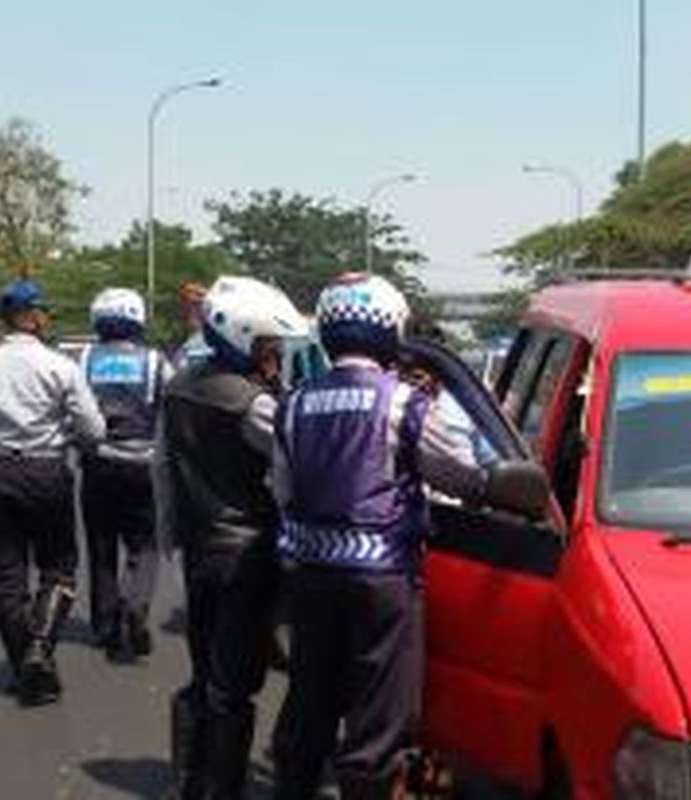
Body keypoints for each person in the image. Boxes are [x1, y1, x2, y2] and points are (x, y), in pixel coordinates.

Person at [272, 273, 547, 800]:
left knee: (308, 706)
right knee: (378, 722)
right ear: (391, 329)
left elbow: (282, 491)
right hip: (383, 580)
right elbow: (462, 475)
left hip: (310, 576)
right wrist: (497, 484)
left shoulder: (294, 404)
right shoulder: (403, 402)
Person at [155, 276, 307, 800]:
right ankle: (221, 788)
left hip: (198, 548)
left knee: (204, 669)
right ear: (243, 339)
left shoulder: (178, 387)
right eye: (269, 346)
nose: (275, 356)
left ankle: (188, 783)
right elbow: (297, 466)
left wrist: (170, 536)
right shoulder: (252, 404)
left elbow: (162, 471)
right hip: (247, 552)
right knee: (234, 684)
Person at [0, 277, 106, 706]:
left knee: (8, 580)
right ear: (34, 316)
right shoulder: (60, 367)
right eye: (44, 311)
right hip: (47, 474)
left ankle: (25, 667)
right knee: (59, 569)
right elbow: (93, 429)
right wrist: (81, 440)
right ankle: (39, 650)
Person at [79, 287, 172, 660]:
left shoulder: (81, 359)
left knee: (101, 546)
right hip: (142, 465)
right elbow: (172, 410)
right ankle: (135, 606)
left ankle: (104, 624)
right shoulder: (156, 362)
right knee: (144, 544)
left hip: (97, 463)